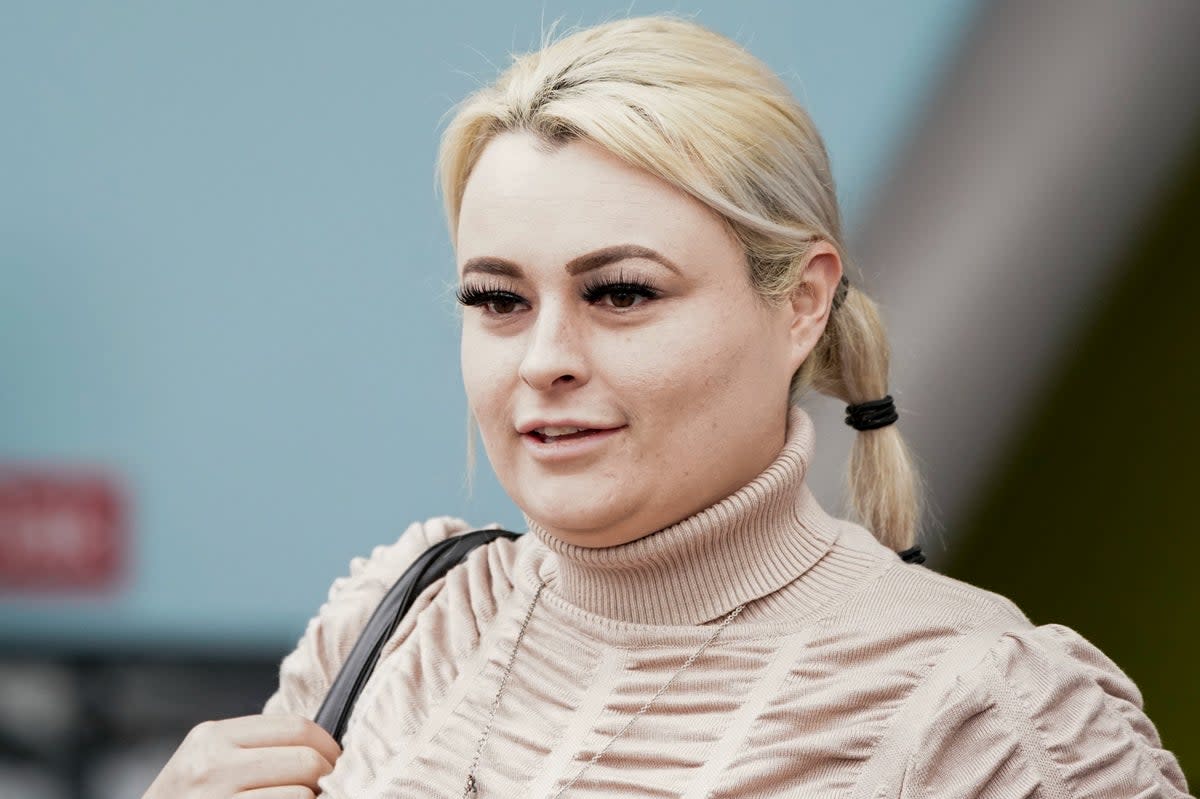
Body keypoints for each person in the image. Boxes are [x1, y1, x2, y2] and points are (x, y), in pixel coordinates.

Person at [143, 15, 1191, 799]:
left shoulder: (995, 713)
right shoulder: (397, 624)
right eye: (497, 300)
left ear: (802, 302)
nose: (545, 357)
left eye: (622, 293)